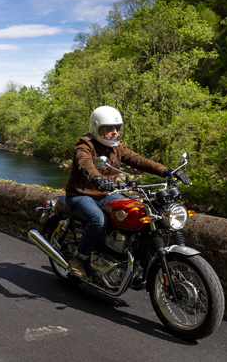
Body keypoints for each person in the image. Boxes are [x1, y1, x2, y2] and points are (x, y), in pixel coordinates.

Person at [64, 105, 189, 278]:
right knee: (98, 220)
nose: (114, 132)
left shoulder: (117, 148)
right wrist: (97, 178)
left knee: (139, 210)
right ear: (96, 127)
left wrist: (167, 171)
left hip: (107, 195)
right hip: (81, 195)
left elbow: (139, 161)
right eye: (108, 128)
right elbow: (85, 164)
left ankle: (128, 257)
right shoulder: (85, 145)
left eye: (117, 128)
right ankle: (79, 258)